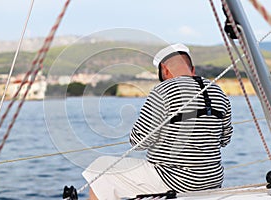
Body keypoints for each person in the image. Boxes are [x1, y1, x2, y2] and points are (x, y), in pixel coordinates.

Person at [82, 43, 233, 199]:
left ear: (165, 70)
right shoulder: (217, 91)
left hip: (175, 181)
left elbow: (138, 142)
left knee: (100, 170)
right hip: (212, 180)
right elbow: (224, 139)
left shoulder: (163, 90)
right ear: (192, 69)